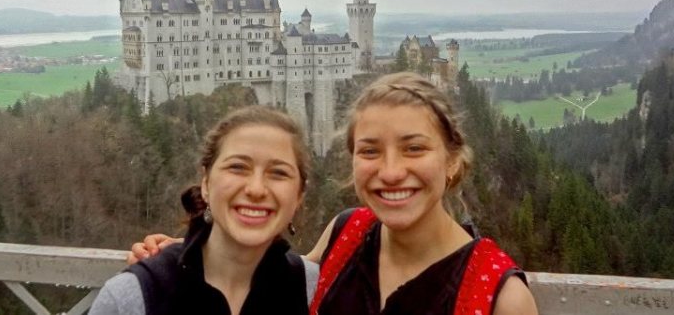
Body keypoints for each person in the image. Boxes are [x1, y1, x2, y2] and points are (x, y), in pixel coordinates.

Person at [131, 73, 538, 315]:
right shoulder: (347, 233)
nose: (392, 171)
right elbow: (268, 275)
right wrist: (182, 259)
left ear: (452, 160)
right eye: (370, 151)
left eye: (415, 148)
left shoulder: (499, 295)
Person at [91, 106, 317, 315]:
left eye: (278, 173)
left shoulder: (315, 291)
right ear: (206, 184)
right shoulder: (131, 299)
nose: (256, 189)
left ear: (299, 196)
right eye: (237, 167)